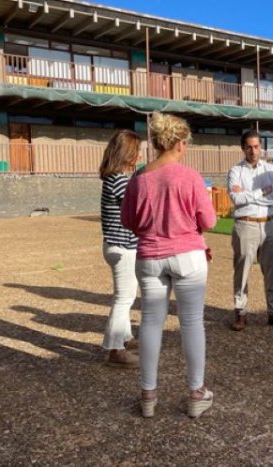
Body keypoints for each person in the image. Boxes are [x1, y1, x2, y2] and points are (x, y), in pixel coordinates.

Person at [121, 112, 217, 418]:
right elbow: (209, 221)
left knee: (150, 322)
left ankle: (148, 395)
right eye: (185, 142)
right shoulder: (189, 176)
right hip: (188, 253)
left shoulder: (138, 178)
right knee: (191, 323)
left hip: (150, 255)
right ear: (177, 142)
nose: (185, 147)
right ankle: (196, 392)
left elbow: (128, 221)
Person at [227, 129, 273, 331]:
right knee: (242, 270)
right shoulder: (235, 171)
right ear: (243, 148)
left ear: (260, 147)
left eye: (256, 146)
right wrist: (261, 191)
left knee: (272, 270)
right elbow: (236, 199)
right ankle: (240, 312)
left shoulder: (271, 170)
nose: (253, 151)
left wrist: (248, 194)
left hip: (269, 223)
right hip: (245, 224)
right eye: (249, 147)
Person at [99, 129, 142, 370]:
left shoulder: (115, 177)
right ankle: (114, 348)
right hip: (122, 246)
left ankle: (125, 337)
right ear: (127, 153)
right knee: (124, 297)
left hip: (119, 245)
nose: (138, 156)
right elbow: (138, 206)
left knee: (125, 295)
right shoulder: (119, 179)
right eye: (136, 151)